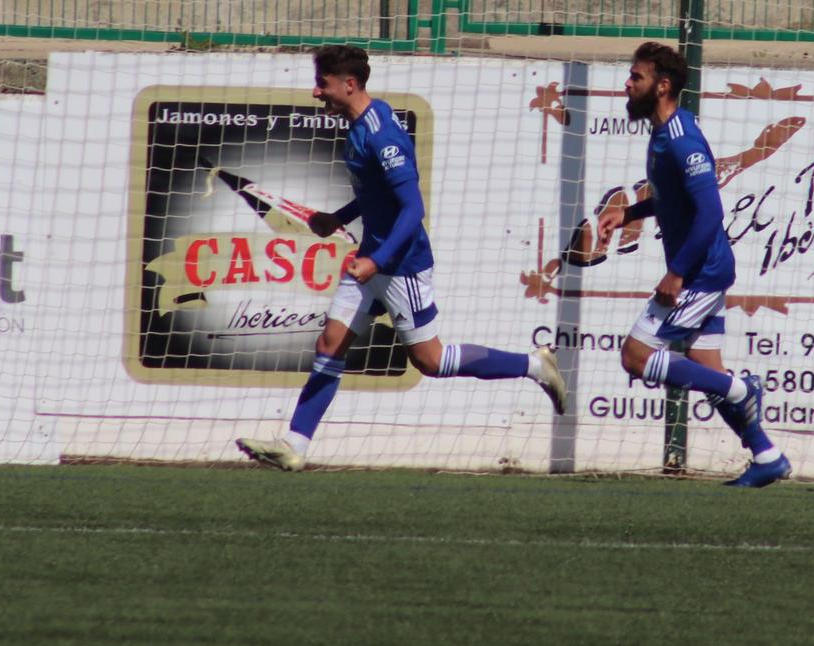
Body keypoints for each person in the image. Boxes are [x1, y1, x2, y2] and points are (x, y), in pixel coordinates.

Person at [237, 45, 568, 470]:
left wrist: (378, 261)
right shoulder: (358, 124)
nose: (316, 92)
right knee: (330, 343)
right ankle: (295, 445)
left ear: (349, 84)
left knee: (431, 361)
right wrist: (337, 218)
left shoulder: (381, 135)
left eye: (323, 83)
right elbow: (375, 195)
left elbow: (413, 209)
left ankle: (534, 366)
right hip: (372, 258)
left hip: (401, 265)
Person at [597, 42, 791, 487]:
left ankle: (742, 390)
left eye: (636, 78)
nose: (627, 85)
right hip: (703, 269)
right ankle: (767, 455)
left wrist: (678, 271)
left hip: (700, 273)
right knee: (707, 366)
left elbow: (710, 213)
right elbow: (672, 201)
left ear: (662, 86)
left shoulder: (682, 140)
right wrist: (627, 213)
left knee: (635, 355)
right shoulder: (663, 133)